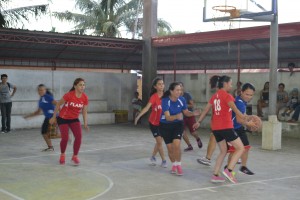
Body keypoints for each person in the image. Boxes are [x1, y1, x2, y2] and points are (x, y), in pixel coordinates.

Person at [193, 75, 254, 183]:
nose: (231, 85)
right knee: (241, 148)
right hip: (225, 127)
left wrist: (198, 122)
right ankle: (229, 170)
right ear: (225, 84)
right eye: (230, 83)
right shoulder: (227, 96)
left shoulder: (214, 96)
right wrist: (246, 118)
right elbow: (235, 110)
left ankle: (215, 175)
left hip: (215, 128)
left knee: (223, 151)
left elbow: (206, 110)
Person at [160, 82, 199, 176]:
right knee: (170, 149)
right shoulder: (165, 101)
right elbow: (168, 117)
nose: (179, 92)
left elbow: (186, 112)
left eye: (180, 90)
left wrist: (193, 113)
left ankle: (179, 165)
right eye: (177, 90)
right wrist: (177, 116)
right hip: (165, 125)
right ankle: (174, 164)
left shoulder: (182, 99)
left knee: (177, 145)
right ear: (171, 91)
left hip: (178, 125)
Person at [50, 78, 89, 165]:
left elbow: (84, 111)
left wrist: (85, 123)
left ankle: (75, 156)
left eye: (83, 85)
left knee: (78, 137)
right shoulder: (69, 95)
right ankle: (62, 155)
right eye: (80, 85)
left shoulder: (85, 97)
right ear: (75, 86)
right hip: (63, 118)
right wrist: (53, 117)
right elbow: (58, 104)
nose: (82, 87)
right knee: (65, 138)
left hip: (74, 119)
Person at [134, 77, 167, 167]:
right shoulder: (154, 97)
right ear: (155, 87)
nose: (161, 86)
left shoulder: (166, 96)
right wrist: (139, 116)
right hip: (153, 123)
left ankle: (153, 157)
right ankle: (164, 160)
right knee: (159, 142)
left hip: (163, 123)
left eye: (162, 84)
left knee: (159, 142)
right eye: (159, 84)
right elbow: (147, 108)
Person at [227, 83, 256, 175]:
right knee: (234, 150)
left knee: (246, 146)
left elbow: (241, 115)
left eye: (251, 95)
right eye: (247, 94)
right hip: (232, 129)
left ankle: (243, 167)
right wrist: (249, 123)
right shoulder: (239, 103)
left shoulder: (242, 101)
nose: (249, 96)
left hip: (238, 128)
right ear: (241, 92)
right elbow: (239, 120)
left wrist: (248, 117)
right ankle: (228, 169)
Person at [24, 84, 57, 151]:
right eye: (39, 90)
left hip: (53, 117)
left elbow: (57, 104)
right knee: (44, 132)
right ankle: (50, 147)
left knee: (51, 134)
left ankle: (67, 136)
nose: (40, 91)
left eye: (42, 90)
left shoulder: (48, 97)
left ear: (45, 90)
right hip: (47, 117)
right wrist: (29, 116)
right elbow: (38, 112)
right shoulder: (40, 100)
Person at [178, 82, 202, 152]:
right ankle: (189, 145)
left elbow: (192, 105)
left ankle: (197, 139)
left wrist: (184, 105)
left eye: (181, 86)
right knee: (182, 132)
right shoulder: (176, 96)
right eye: (178, 87)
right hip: (181, 117)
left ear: (183, 87)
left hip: (190, 115)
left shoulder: (187, 95)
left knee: (193, 132)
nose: (179, 88)